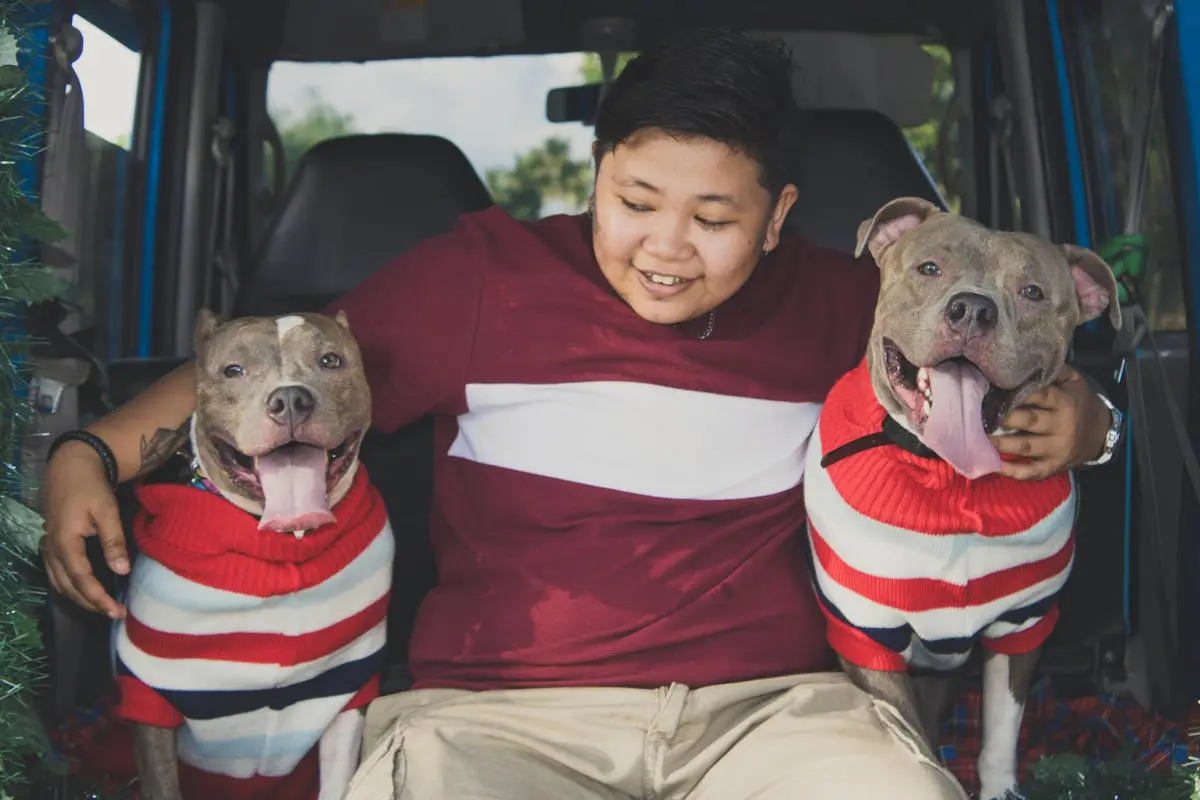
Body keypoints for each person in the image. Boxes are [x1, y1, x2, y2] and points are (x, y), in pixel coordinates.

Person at [42, 29, 1117, 800]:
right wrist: (87, 449)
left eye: (713, 218)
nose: (664, 245)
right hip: (494, 719)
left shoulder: (856, 306)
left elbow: (1007, 352)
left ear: (781, 216)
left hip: (779, 713)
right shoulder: (479, 278)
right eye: (635, 201)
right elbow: (269, 371)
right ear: (595, 175)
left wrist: (1094, 423)